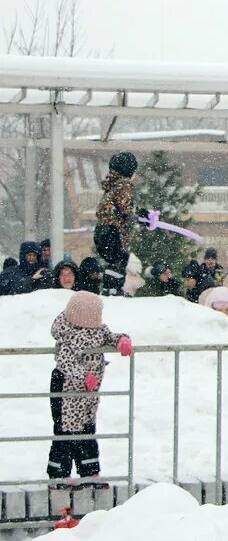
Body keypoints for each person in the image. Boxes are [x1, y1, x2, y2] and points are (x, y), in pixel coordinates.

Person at [47, 292, 133, 485]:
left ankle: (90, 471)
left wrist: (121, 341)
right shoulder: (70, 336)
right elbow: (65, 362)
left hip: (88, 393)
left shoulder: (97, 330)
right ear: (87, 316)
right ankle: (59, 473)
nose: (100, 318)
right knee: (66, 431)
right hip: (67, 389)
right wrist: (84, 376)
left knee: (87, 428)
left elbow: (109, 336)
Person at [93, 152, 139, 294]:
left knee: (114, 261)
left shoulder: (111, 184)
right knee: (120, 260)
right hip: (113, 229)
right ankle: (113, 289)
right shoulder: (124, 184)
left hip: (102, 230)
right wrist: (138, 214)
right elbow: (125, 207)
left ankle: (109, 288)